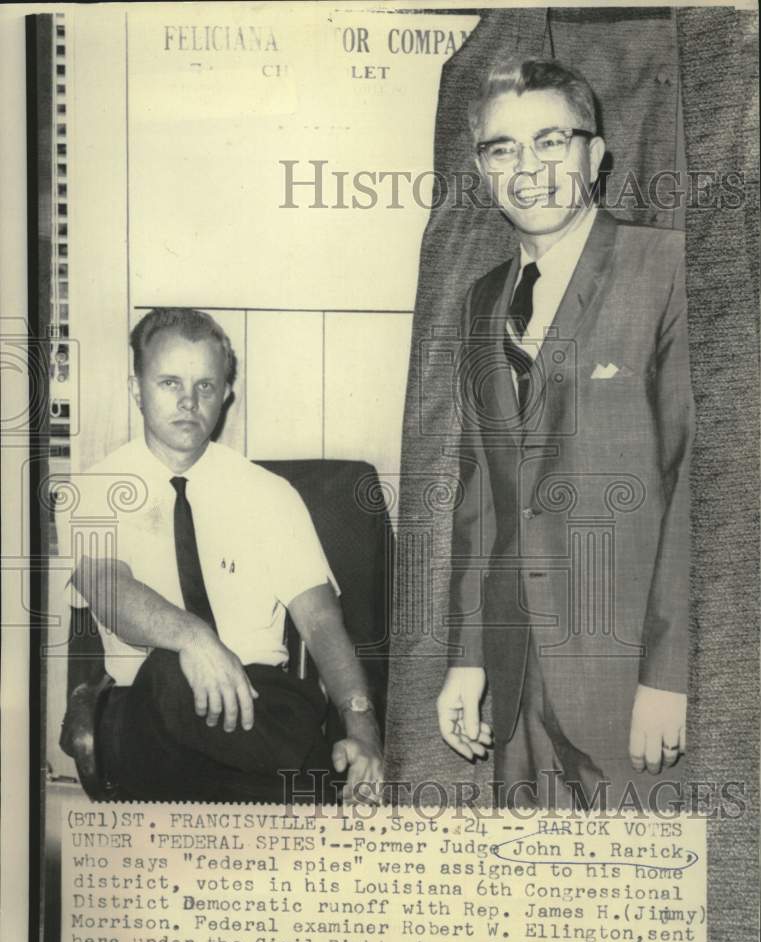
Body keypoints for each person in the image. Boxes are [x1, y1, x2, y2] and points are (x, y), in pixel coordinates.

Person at [437, 58, 693, 808]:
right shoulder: (481, 302)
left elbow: (700, 488)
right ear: (481, 169)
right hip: (515, 686)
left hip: (630, 687)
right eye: (502, 149)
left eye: (551, 141)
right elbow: (481, 495)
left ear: (596, 152)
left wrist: (668, 675)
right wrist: (467, 659)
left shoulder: (670, 268)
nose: (528, 169)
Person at [61, 307, 383, 803]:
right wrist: (195, 640)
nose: (189, 402)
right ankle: (301, 779)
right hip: (148, 703)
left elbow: (320, 622)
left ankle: (272, 786)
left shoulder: (269, 494)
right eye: (169, 382)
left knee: (289, 705)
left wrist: (361, 731)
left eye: (205, 386)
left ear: (226, 394)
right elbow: (108, 589)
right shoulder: (93, 493)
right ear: (135, 388)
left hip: (258, 701)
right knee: (168, 673)